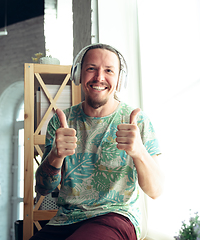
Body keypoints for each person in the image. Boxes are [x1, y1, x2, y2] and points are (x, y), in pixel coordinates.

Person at [30, 43, 164, 240]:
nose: (99, 77)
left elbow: (156, 191)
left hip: (116, 217)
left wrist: (139, 152)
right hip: (66, 219)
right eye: (91, 68)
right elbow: (43, 188)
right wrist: (55, 156)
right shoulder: (61, 122)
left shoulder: (137, 122)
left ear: (120, 80)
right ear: (79, 75)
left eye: (109, 70)